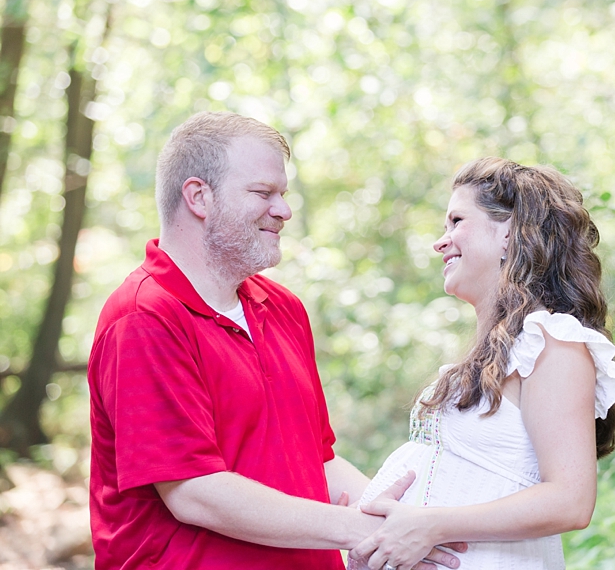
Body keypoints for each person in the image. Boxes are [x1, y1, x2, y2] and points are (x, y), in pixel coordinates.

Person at [87, 112, 461, 570]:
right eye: (264, 193)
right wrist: (369, 531)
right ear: (199, 196)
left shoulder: (282, 308)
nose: (284, 210)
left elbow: (318, 463)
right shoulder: (144, 318)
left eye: (282, 194)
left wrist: (407, 521)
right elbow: (195, 493)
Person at [347, 158, 615, 570]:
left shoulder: (553, 343)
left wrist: (431, 526)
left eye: (456, 221)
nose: (440, 242)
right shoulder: (486, 357)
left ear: (509, 234)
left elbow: (571, 501)